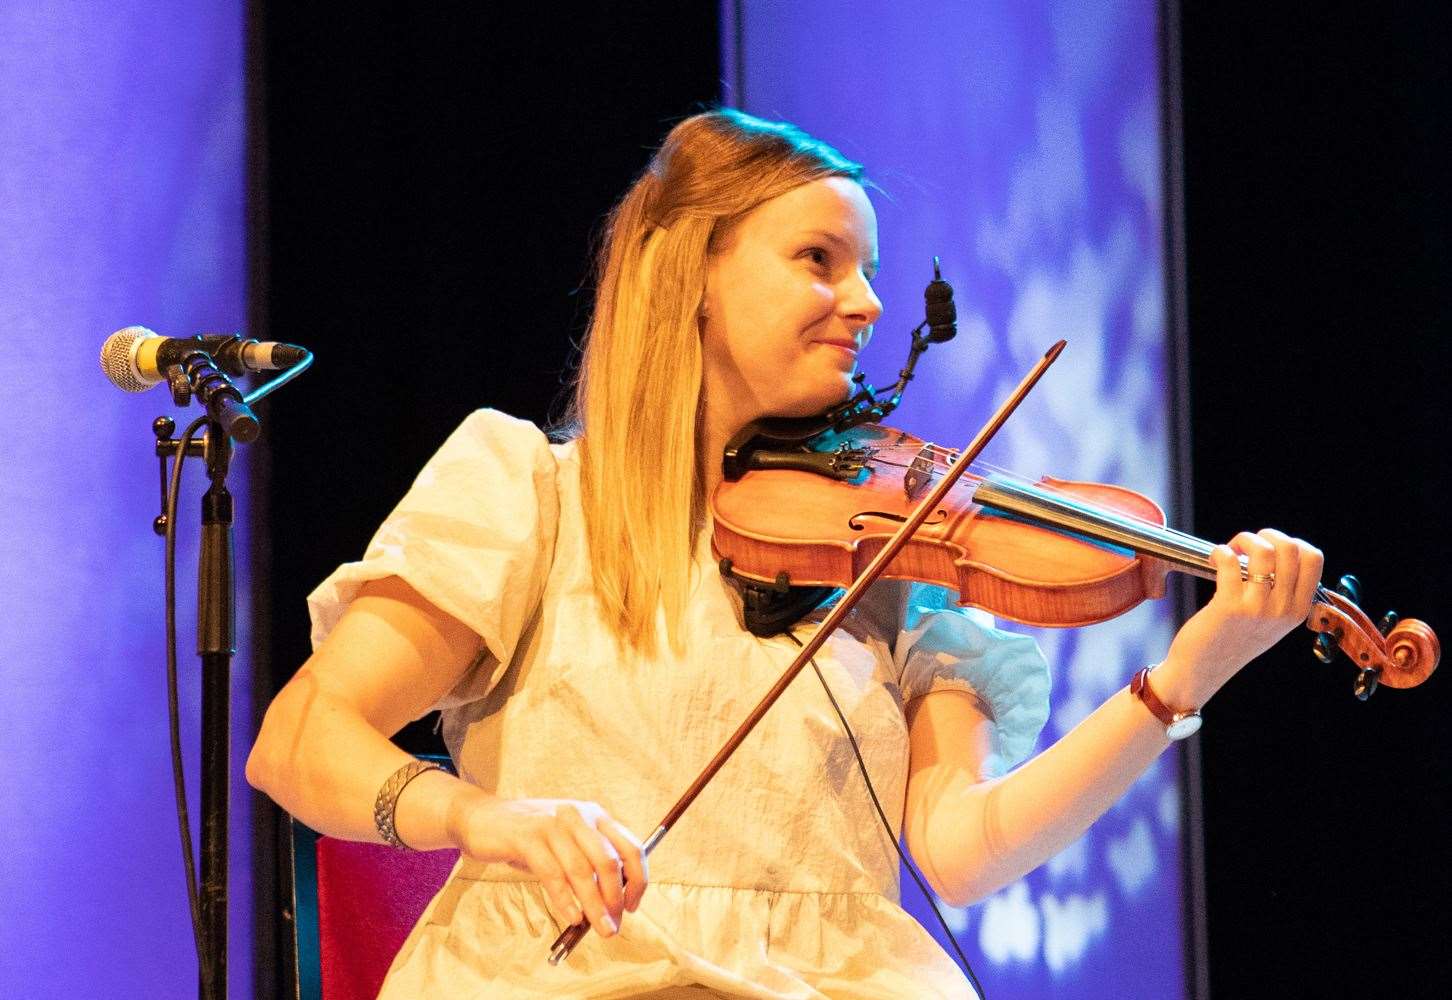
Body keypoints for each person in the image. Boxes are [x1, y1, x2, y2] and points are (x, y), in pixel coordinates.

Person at [246, 109, 1323, 998]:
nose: (868, 304)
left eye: (867, 268)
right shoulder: (528, 488)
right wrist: (482, 814)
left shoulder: (897, 539)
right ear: (693, 275)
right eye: (820, 260)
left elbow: (962, 846)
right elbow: (299, 740)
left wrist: (1185, 678)